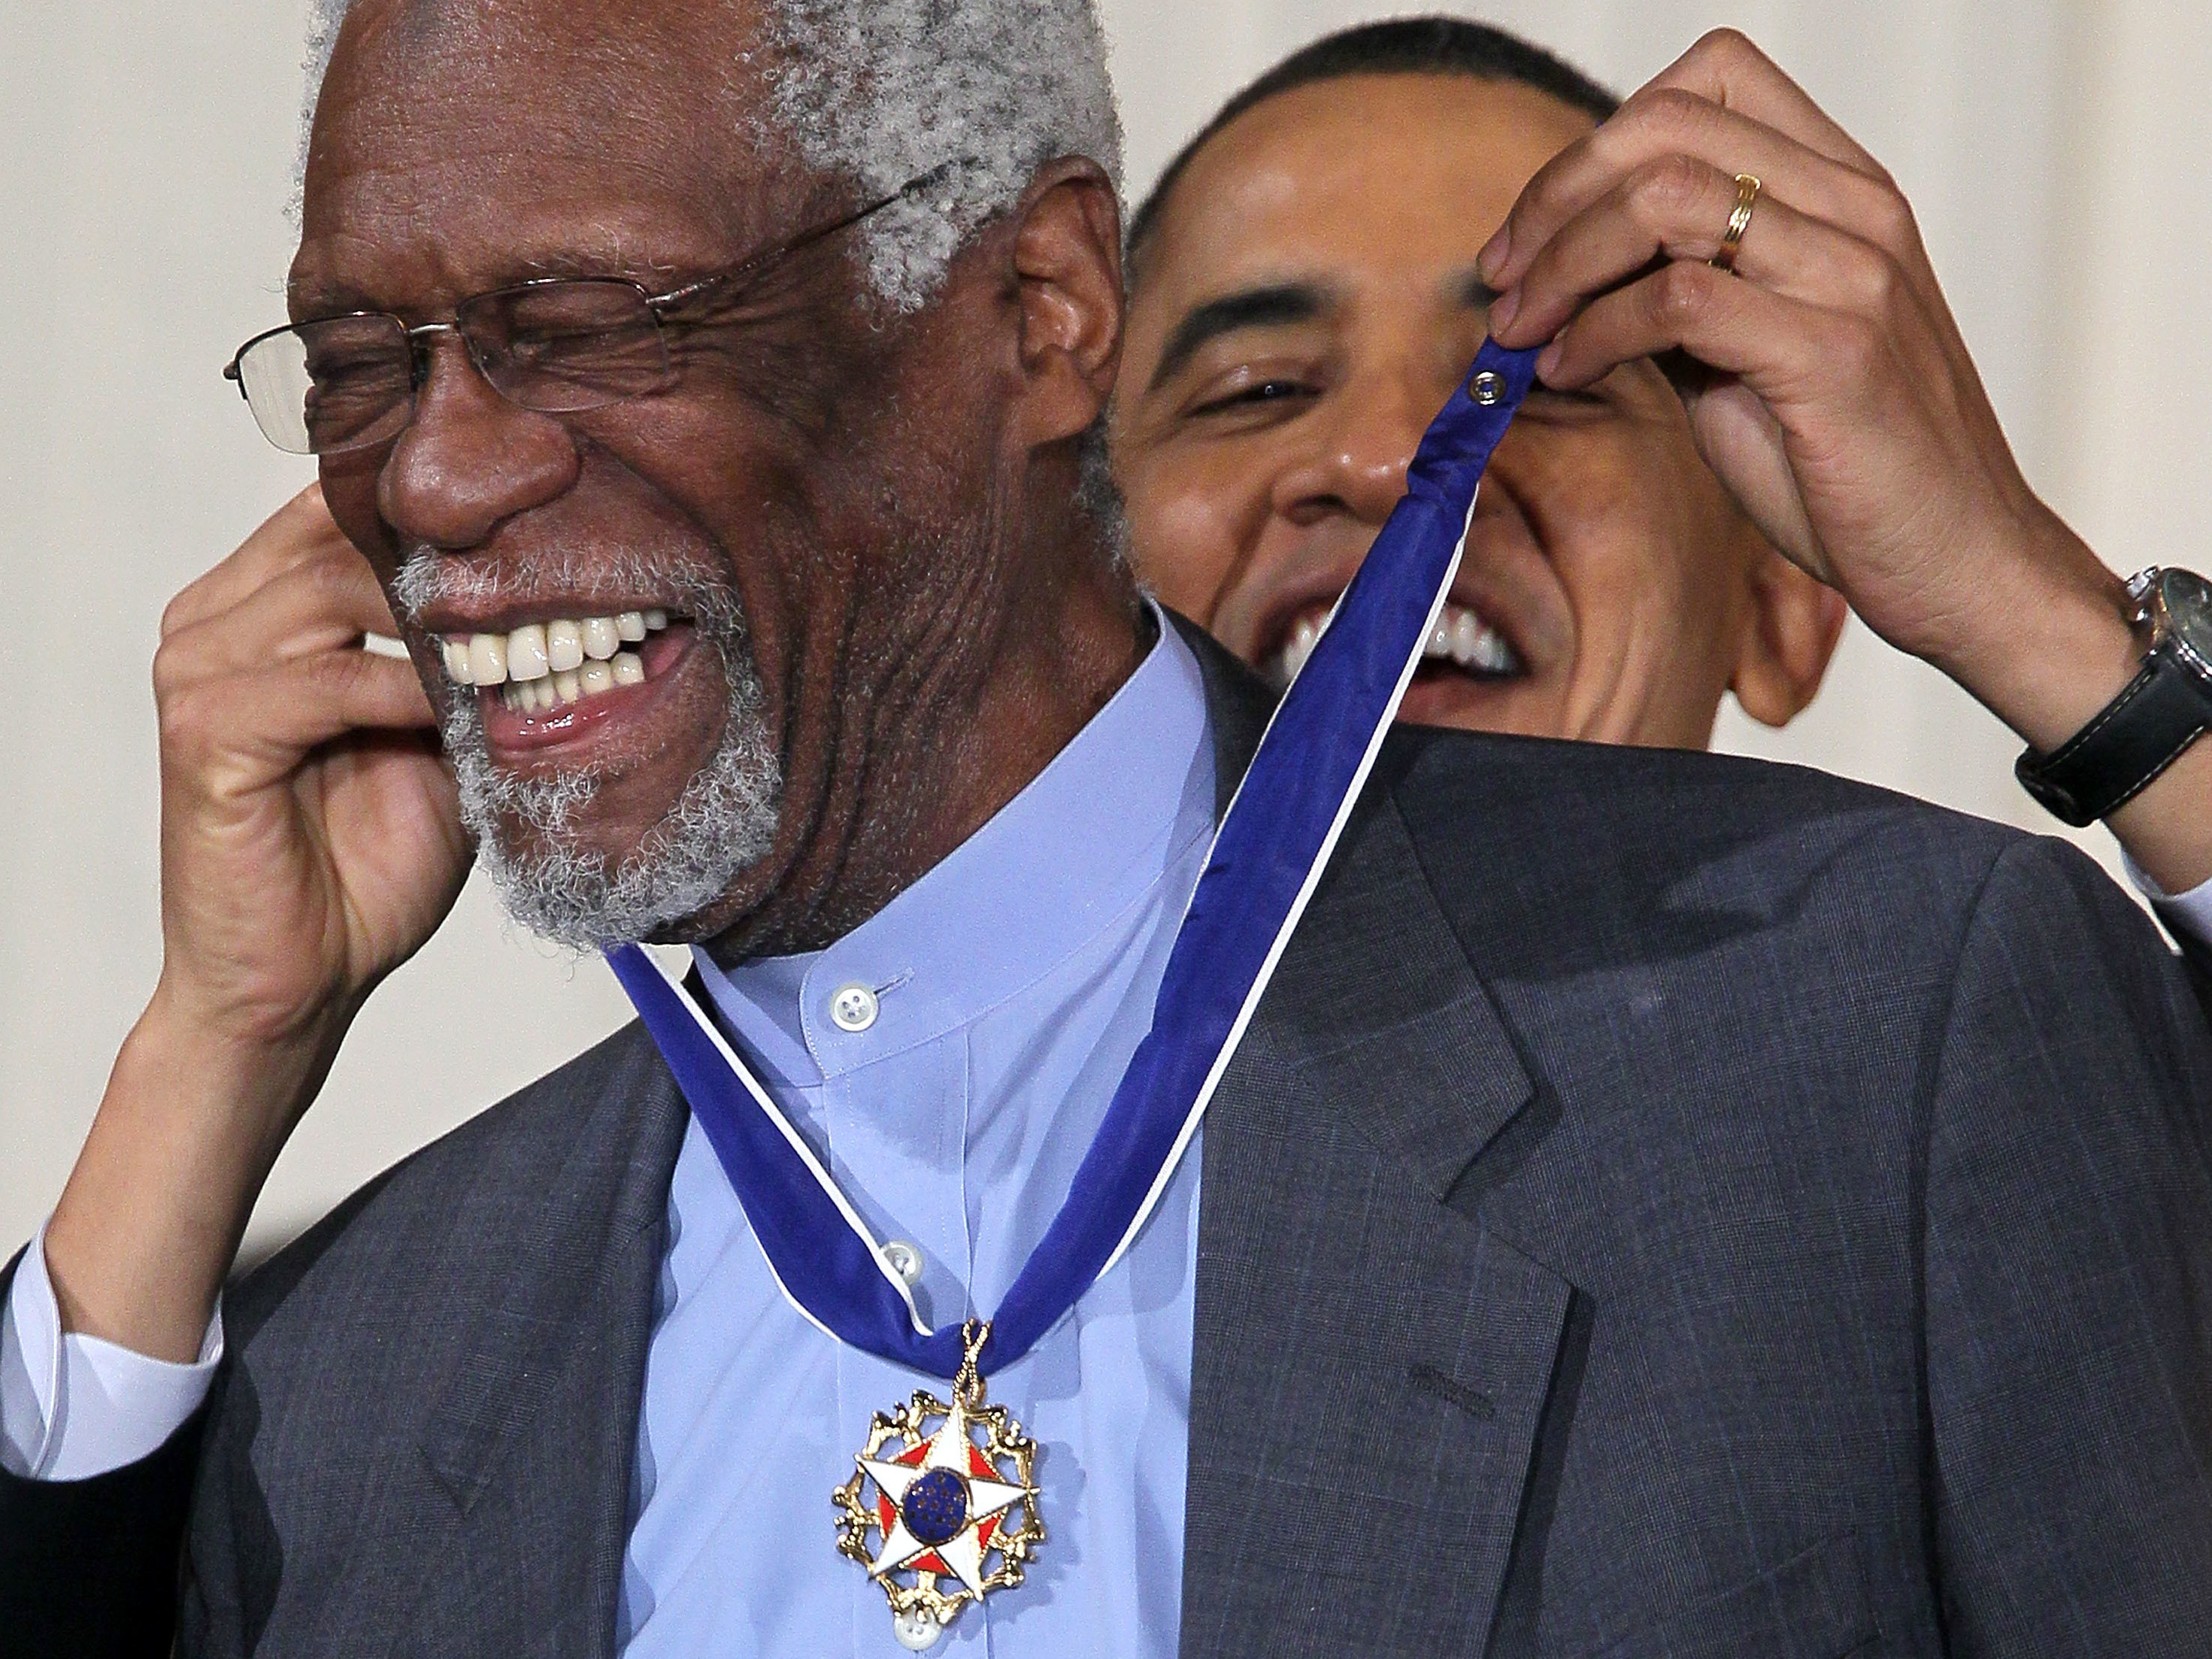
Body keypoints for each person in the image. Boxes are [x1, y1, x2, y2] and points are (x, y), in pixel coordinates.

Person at [5, 7, 2211, 1657]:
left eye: (582, 323)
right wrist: (209, 1044)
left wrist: (2067, 639)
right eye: (357, 361)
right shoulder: (343, 1359)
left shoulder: (1882, 1040)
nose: (434, 475)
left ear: (1033, 307)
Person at [1112, 17, 2212, 983]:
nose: (1390, 460)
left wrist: (2025, 607)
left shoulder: (1949, 1023)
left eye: (1536, 387)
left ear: (1779, 604)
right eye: (1258, 389)